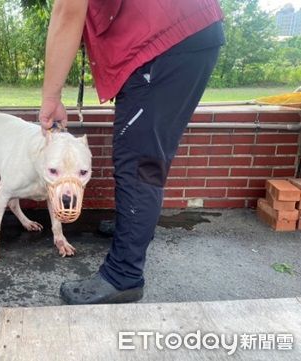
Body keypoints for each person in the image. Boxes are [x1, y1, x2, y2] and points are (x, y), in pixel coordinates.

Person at [39, 0, 225, 305]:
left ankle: (123, 276)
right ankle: (134, 228)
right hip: (185, 32)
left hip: (162, 41)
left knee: (139, 162)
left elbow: (68, 9)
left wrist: (51, 97)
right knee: (150, 153)